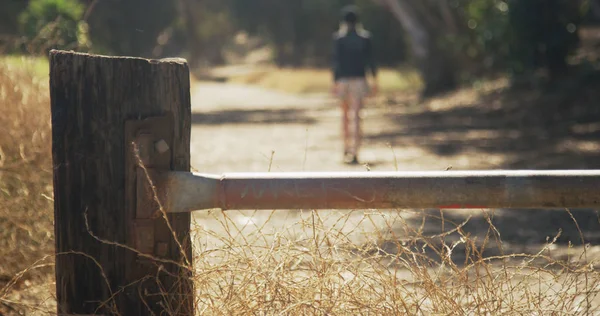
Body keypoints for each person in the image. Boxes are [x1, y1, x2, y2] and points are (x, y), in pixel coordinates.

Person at [332, 5, 378, 165]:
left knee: (345, 116)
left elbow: (336, 63)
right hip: (359, 80)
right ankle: (356, 150)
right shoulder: (365, 38)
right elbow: (371, 61)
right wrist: (375, 80)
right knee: (357, 116)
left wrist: (334, 82)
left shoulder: (339, 38)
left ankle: (346, 147)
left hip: (343, 80)